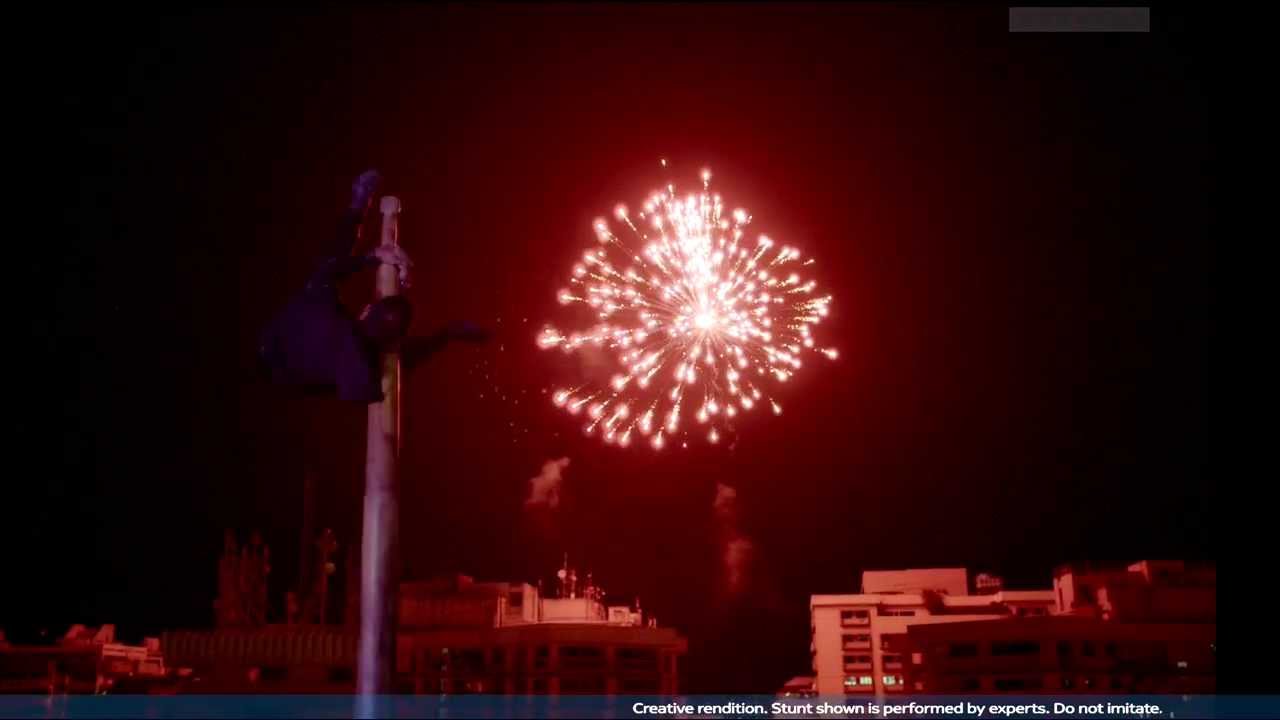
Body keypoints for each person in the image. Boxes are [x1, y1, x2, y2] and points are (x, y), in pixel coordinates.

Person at [258, 170, 487, 403]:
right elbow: (398, 362)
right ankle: (358, 205)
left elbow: (330, 267)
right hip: (277, 368)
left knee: (327, 270)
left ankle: (358, 204)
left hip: (270, 346)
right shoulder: (360, 371)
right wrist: (447, 335)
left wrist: (372, 255)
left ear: (367, 309)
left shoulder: (323, 304)